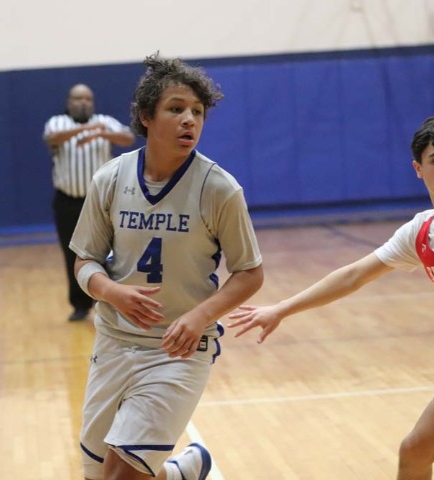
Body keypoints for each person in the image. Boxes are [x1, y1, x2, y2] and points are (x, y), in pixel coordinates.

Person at [228, 115, 434, 479]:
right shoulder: (420, 230)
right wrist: (282, 308)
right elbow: (354, 275)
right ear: (418, 168)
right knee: (414, 451)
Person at [70, 53, 264, 480]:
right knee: (100, 476)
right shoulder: (110, 179)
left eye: (197, 111)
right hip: (115, 342)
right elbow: (84, 261)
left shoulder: (220, 189)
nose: (189, 120)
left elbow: (250, 273)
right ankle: (183, 473)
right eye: (176, 109)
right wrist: (111, 291)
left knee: (123, 475)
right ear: (146, 116)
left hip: (178, 349)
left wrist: (200, 316)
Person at [44, 83, 136, 321]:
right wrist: (87, 130)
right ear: (69, 103)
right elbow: (52, 138)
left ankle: (109, 300)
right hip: (68, 201)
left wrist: (101, 133)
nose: (83, 103)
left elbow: (127, 137)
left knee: (112, 252)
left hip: (101, 201)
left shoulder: (104, 121)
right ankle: (80, 305)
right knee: (72, 253)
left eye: (88, 99)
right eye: (78, 98)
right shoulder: (57, 122)